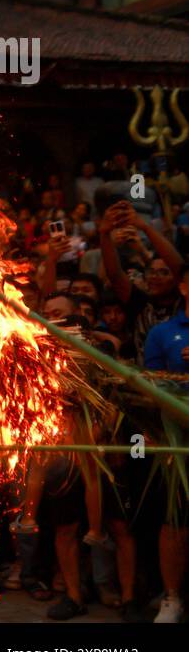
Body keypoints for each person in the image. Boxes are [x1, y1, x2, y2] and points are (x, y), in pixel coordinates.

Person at [138, 266, 189, 624]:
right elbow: (150, 386)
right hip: (178, 441)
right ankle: (172, 597)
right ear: (183, 285)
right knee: (175, 519)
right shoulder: (163, 332)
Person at [98, 200, 183, 364]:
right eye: (151, 272)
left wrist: (145, 227)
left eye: (164, 273)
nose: (155, 277)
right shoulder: (140, 304)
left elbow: (178, 267)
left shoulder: (184, 303)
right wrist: (104, 233)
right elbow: (115, 275)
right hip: (146, 383)